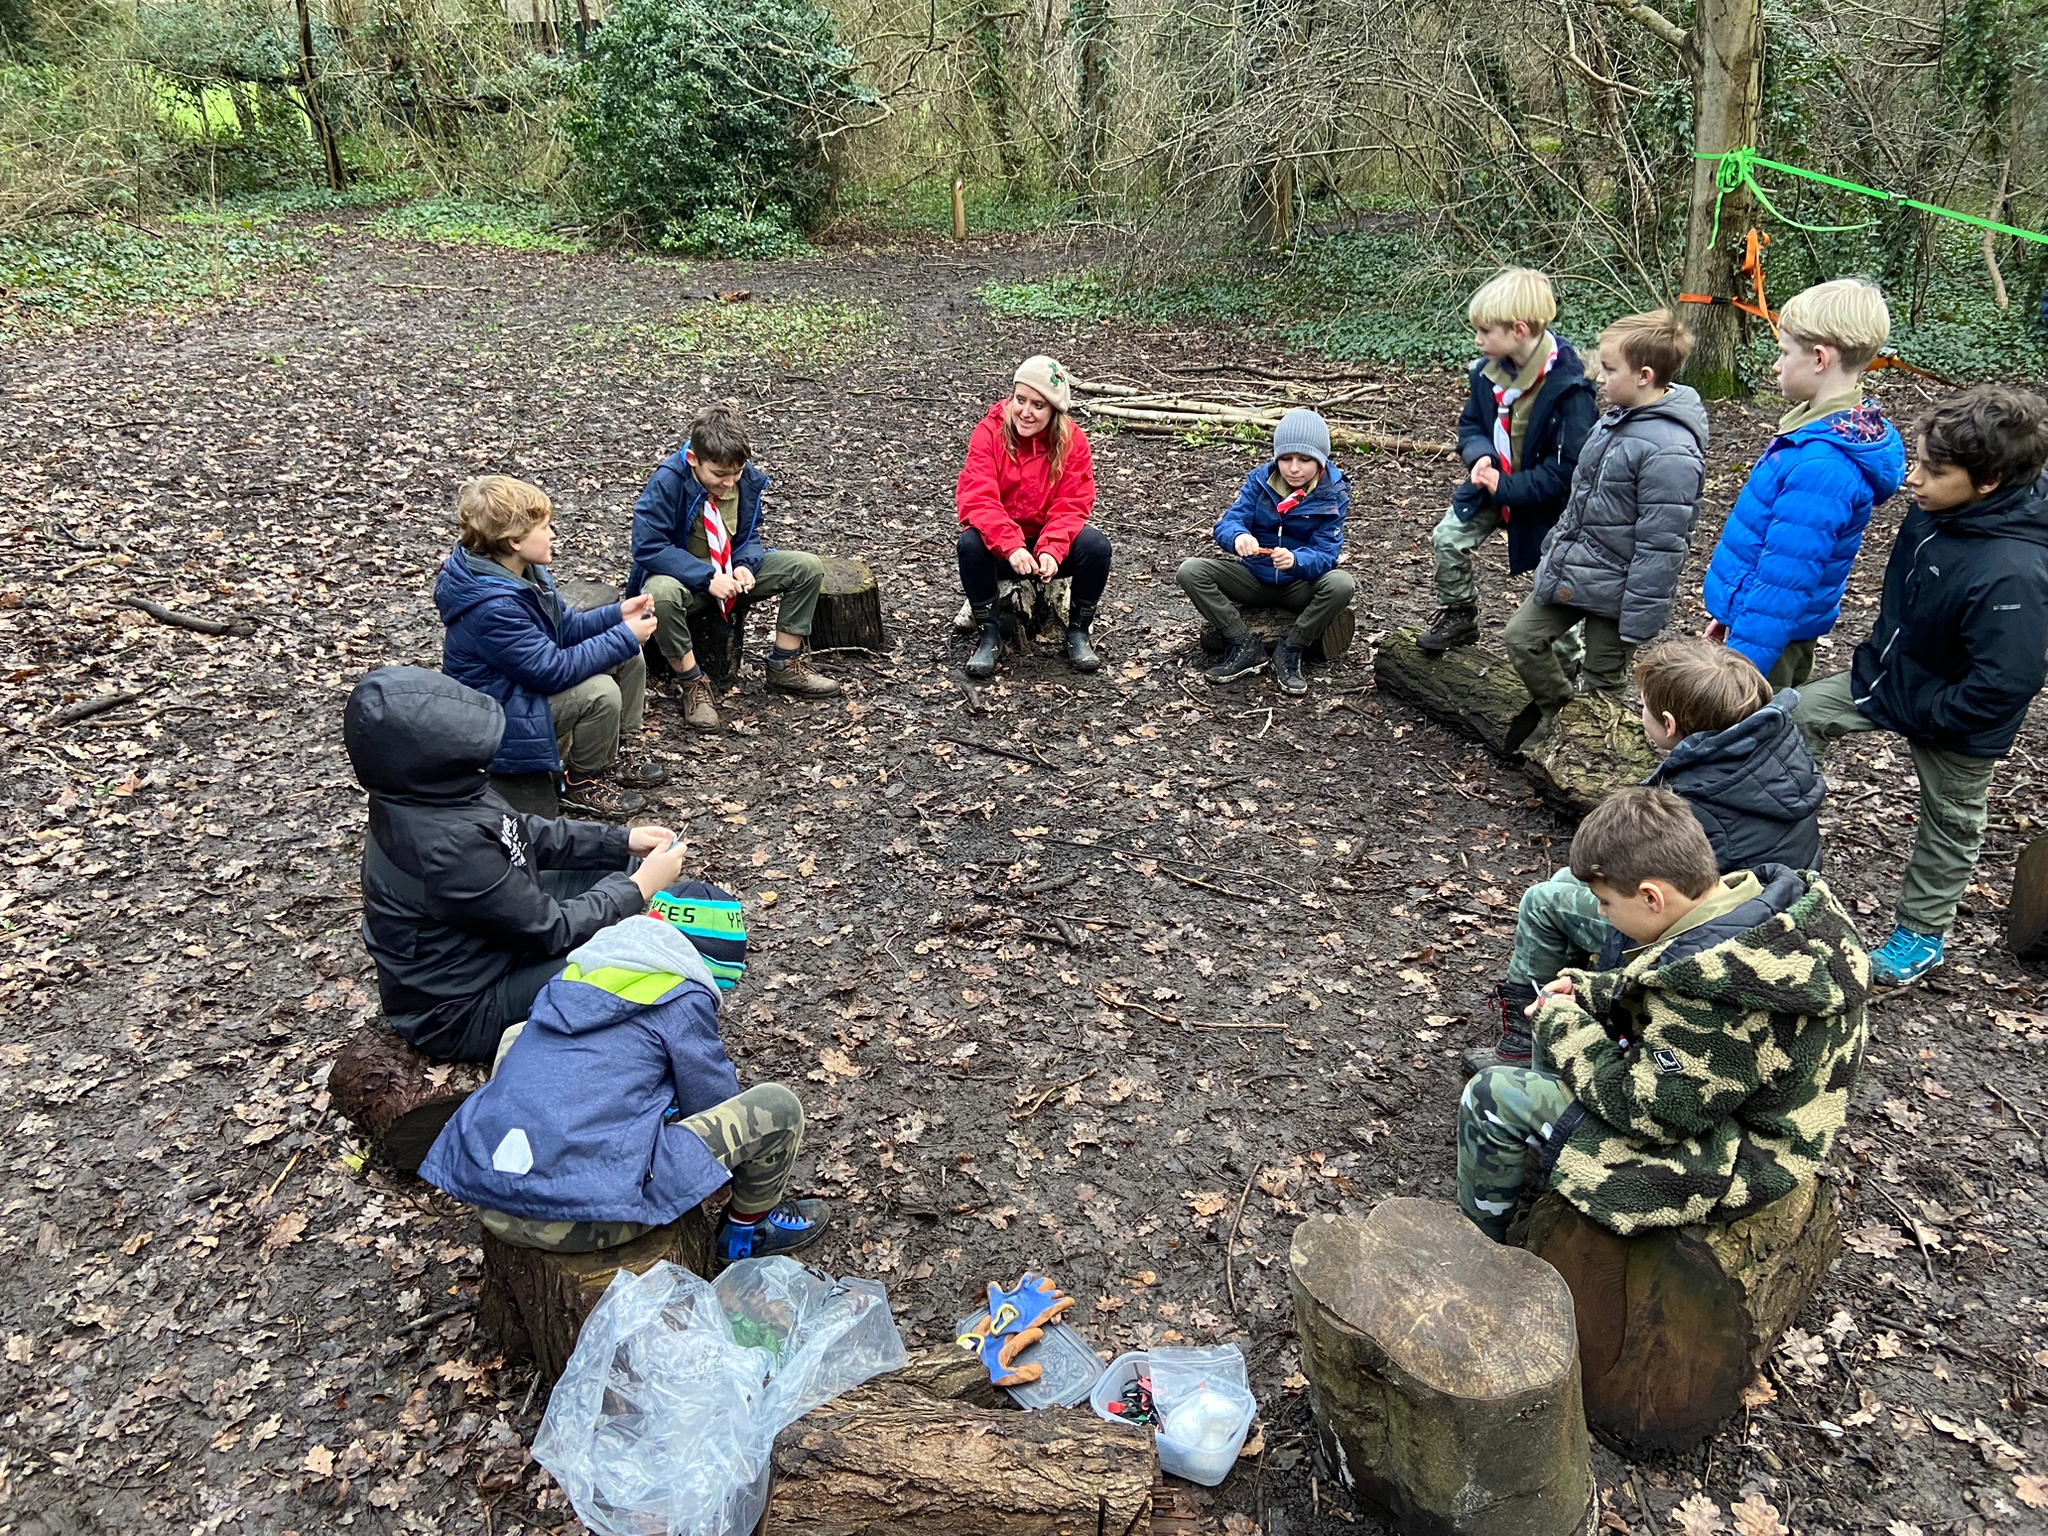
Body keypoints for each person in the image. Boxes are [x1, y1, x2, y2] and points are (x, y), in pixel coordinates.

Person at [1457, 786, 1869, 1242]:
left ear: (1652, 898)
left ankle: (1481, 1245)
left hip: (1737, 1164)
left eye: (1606, 903)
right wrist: (1592, 992)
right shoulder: (1762, 913)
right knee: (1561, 1025)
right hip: (1742, 1112)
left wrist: (1564, 1027)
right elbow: (1663, 981)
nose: (1600, 913)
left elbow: (1654, 1115)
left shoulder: (1707, 997)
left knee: (1491, 1096)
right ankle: (1547, 1150)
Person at [1465, 640, 1822, 1074]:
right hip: (1768, 909)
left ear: (1668, 725)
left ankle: (1532, 1037)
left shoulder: (1702, 800)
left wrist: (1618, 982)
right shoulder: (1765, 750)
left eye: (1644, 708)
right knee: (1566, 882)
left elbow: (1661, 898)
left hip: (1717, 939)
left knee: (1543, 903)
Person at [1792, 384, 2048, 986]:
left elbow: (2007, 681)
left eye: (1934, 470)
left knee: (1951, 820)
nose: (1913, 478)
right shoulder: (1940, 507)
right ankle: (1778, 855)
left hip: (1958, 716)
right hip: (1891, 675)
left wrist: (1934, 712)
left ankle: (1922, 934)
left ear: (1988, 481)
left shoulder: (2013, 573)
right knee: (1795, 715)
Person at [420, 904, 830, 1262]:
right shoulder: (682, 997)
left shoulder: (570, 978)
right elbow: (712, 1102)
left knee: (519, 1035)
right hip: (586, 1221)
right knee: (778, 1107)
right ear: (704, 966)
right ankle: (747, 1231)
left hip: (491, 1202)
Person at [344, 666, 690, 1065]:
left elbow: (519, 831)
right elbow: (553, 930)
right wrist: (640, 887)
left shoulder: (427, 792)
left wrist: (621, 841)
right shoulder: (444, 846)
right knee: (626, 957)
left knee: (618, 866)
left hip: (488, 948)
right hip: (461, 1011)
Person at [1505, 310, 1708, 744]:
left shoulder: (1671, 452)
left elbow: (1662, 546)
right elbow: (1581, 501)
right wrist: (1555, 553)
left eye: (1610, 369)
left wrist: (1637, 619)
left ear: (1644, 376)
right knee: (1522, 637)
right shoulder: (1614, 421)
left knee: (1602, 682)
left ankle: (1594, 756)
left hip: (1619, 596)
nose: (1599, 377)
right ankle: (1560, 714)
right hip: (1578, 570)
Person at [1699, 279, 1905, 689]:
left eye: (1784, 352)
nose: (1777, 365)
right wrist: (1730, 613)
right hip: (1758, 624)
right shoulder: (1817, 432)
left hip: (1767, 644)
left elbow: (1784, 583)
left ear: (1819, 359)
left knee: (1749, 723)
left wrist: (1740, 666)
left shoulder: (1822, 466)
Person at [437, 475, 667, 820]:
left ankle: (609, 751)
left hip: (520, 689)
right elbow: (552, 672)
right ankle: (578, 782)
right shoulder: (493, 609)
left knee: (629, 656)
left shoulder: (525, 572)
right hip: (497, 716)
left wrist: (617, 615)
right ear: (515, 540)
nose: (553, 534)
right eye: (545, 528)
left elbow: (566, 628)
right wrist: (624, 635)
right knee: (600, 691)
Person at [627, 403, 842, 735]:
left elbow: (749, 535)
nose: (728, 482)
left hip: (729, 574)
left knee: (806, 567)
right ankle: (692, 682)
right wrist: (707, 577)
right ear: (693, 459)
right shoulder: (668, 481)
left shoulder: (744, 477)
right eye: (719, 475)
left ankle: (784, 664)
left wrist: (744, 565)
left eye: (736, 473)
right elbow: (648, 546)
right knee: (659, 594)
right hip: (686, 581)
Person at [1419, 266, 1598, 656]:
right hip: (1492, 486)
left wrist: (1509, 486)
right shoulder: (1487, 374)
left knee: (1554, 586)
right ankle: (1459, 613)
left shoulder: (1570, 391)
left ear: (1519, 330)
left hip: (1547, 505)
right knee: (1448, 538)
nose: (1477, 339)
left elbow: (1568, 472)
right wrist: (1480, 455)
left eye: (1485, 331)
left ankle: (1567, 667)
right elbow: (1471, 424)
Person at [1177, 408, 1354, 696]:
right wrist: (1239, 537)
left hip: (1299, 584)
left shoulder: (1333, 494)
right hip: (1254, 578)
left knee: (1341, 584)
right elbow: (1229, 522)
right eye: (1286, 458)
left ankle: (1292, 647)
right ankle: (1243, 644)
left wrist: (1296, 560)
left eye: (1304, 460)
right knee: (1191, 571)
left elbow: (1326, 554)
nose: (1293, 468)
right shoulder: (1260, 481)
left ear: (1320, 460)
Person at [956, 355, 1109, 678]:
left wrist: (1052, 548)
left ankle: (1078, 631)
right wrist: (1011, 545)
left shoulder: (1072, 441)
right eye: (1020, 399)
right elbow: (978, 498)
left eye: (1038, 405)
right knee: (970, 545)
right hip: (1004, 549)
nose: (1025, 411)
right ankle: (989, 635)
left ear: (1054, 410)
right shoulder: (988, 433)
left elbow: (1073, 502)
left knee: (1096, 547)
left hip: (1047, 547)